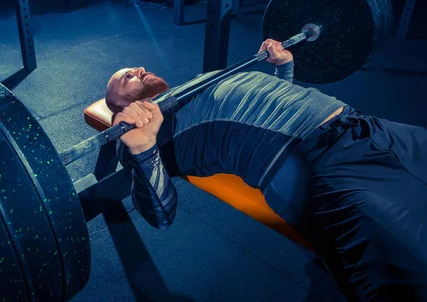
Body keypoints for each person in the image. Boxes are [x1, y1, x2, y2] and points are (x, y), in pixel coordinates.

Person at [104, 39, 427, 302]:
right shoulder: (137, 134)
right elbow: (160, 215)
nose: (139, 69)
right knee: (406, 278)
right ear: (119, 107)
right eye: (125, 78)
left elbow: (268, 105)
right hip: (325, 166)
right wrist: (143, 148)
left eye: (134, 68)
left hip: (366, 127)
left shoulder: (193, 85)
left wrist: (284, 67)